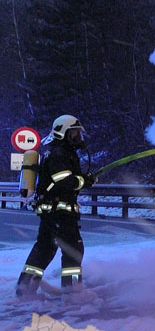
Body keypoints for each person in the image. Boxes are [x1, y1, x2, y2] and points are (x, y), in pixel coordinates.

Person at [16, 115, 96, 296]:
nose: (77, 137)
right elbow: (64, 180)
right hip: (60, 213)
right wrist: (84, 181)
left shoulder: (56, 151)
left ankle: (25, 288)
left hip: (52, 212)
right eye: (74, 133)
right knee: (73, 249)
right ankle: (73, 293)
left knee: (44, 249)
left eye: (77, 134)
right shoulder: (60, 153)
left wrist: (84, 180)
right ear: (63, 133)